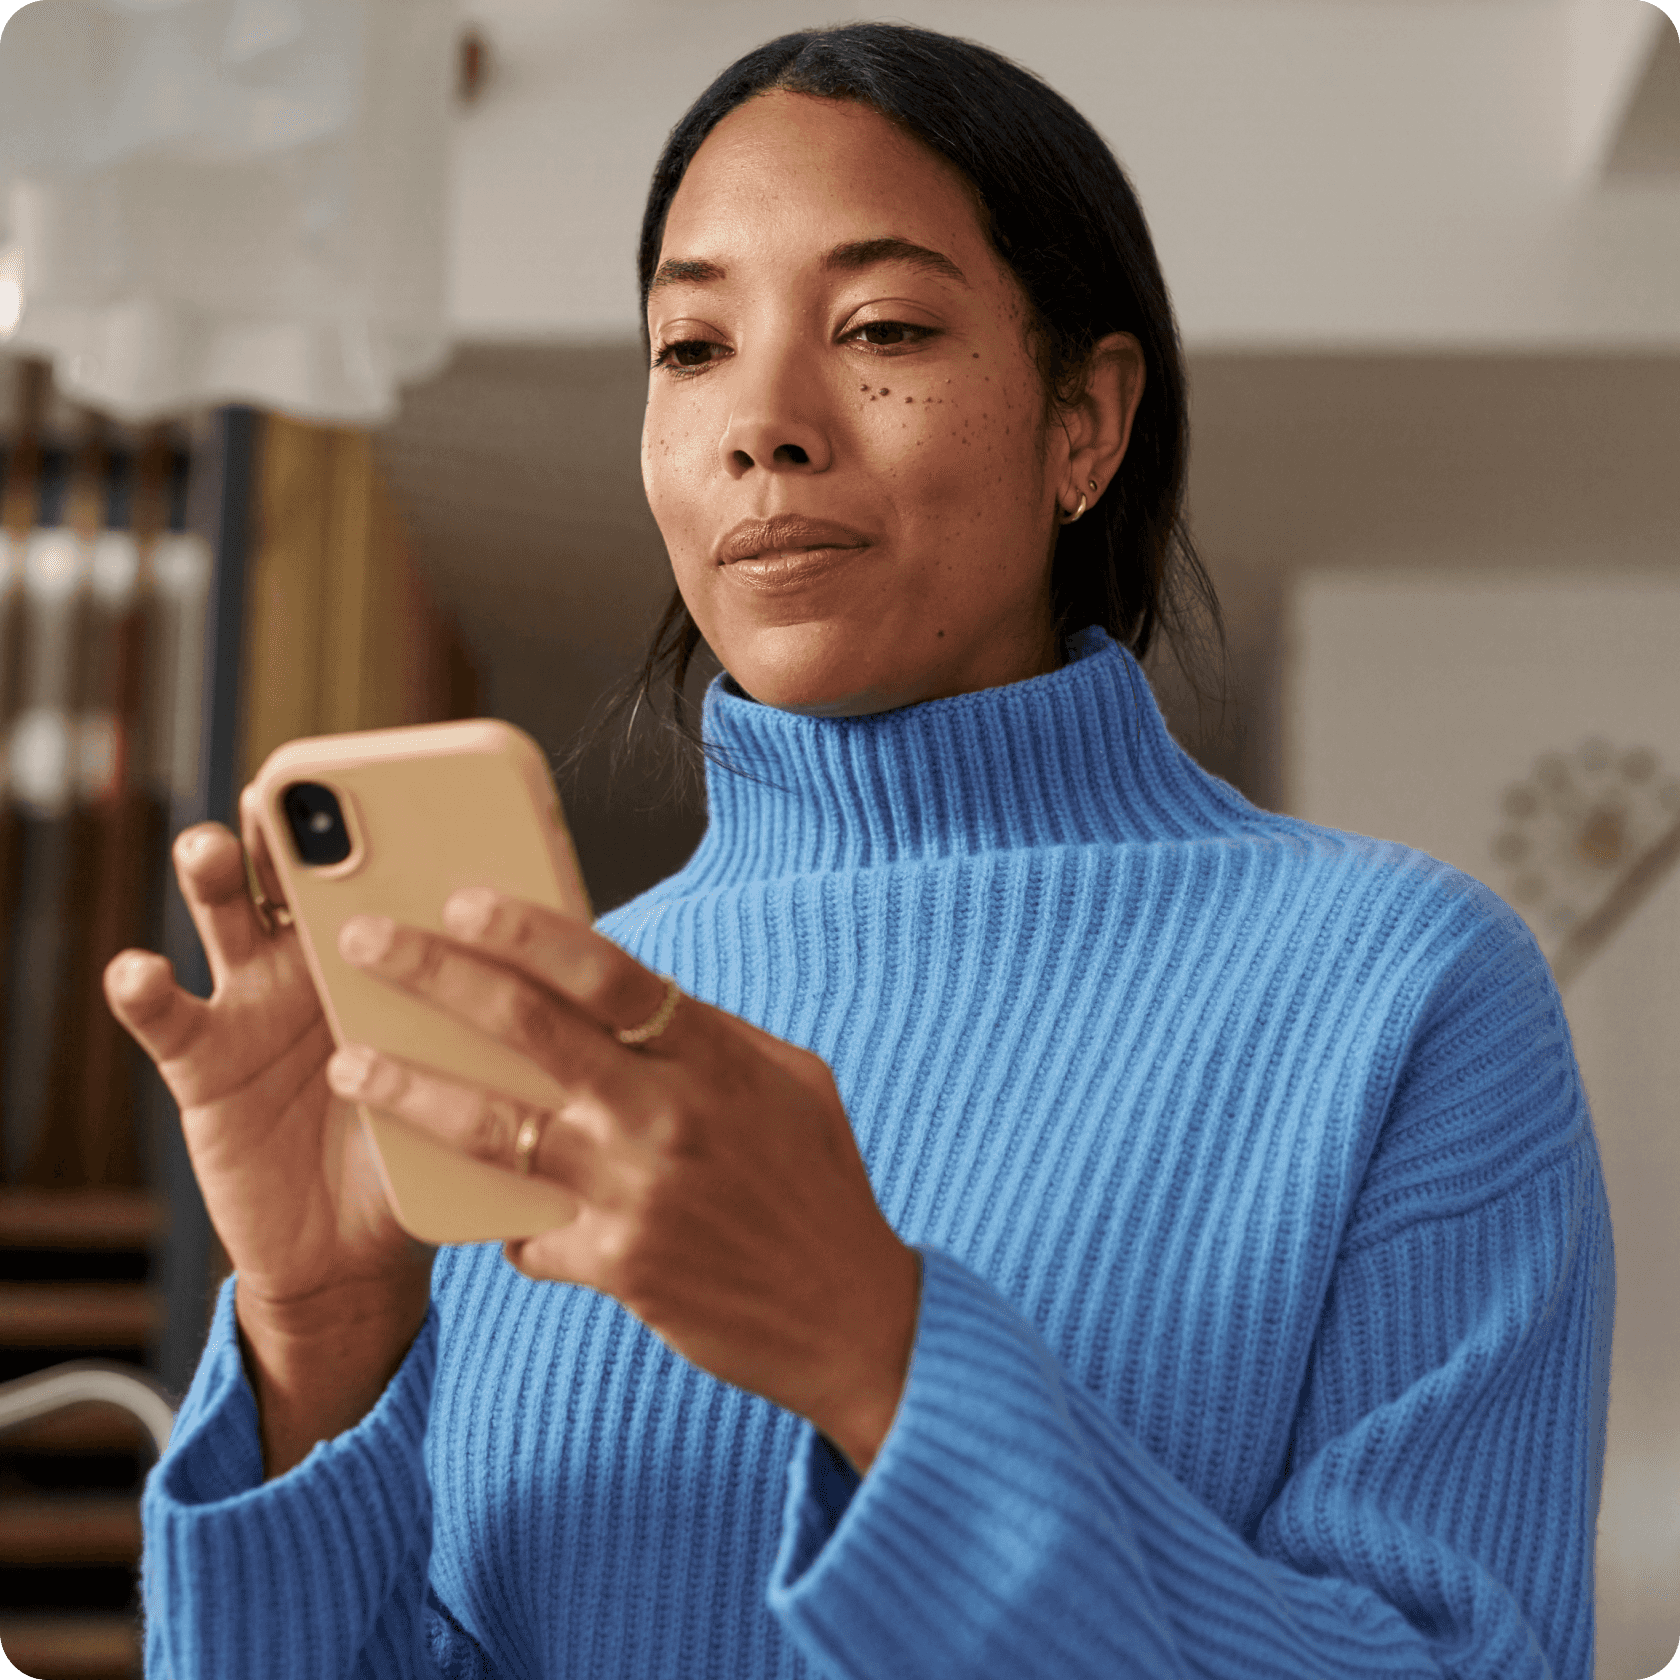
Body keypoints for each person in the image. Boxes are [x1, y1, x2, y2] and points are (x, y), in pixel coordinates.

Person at [106, 22, 1613, 1680]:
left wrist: (881, 1352)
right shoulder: (530, 1026)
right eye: (691, 346)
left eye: (884, 327)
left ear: (1084, 427)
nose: (764, 424)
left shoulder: (1401, 989)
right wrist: (323, 1337)